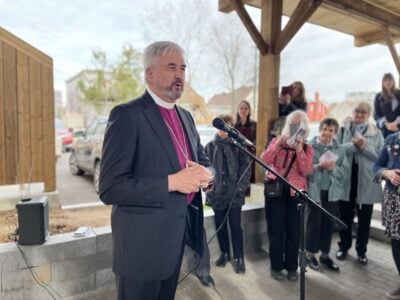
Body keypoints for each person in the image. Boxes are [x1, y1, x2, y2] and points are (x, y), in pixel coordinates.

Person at [99, 41, 214, 300]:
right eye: (171, 67)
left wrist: (210, 176)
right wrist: (171, 182)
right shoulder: (127, 115)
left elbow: (204, 160)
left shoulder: (186, 116)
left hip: (175, 243)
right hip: (141, 250)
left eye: (183, 68)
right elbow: (109, 188)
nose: (179, 75)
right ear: (149, 74)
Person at [261, 110, 314, 281]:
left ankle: (292, 267)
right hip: (275, 191)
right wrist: (278, 143)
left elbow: (306, 170)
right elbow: (265, 160)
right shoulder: (277, 141)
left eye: (300, 125)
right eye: (294, 124)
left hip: (295, 193)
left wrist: (299, 148)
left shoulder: (307, 147)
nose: (297, 128)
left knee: (294, 232)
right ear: (288, 126)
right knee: (276, 231)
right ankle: (276, 267)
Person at [335, 102, 384, 265]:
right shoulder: (343, 129)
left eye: (363, 112)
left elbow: (381, 158)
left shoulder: (376, 133)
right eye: (357, 111)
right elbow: (336, 151)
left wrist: (365, 146)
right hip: (347, 180)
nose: (359, 114)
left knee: (365, 220)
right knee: (344, 218)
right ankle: (343, 247)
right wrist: (353, 145)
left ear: (369, 115)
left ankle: (361, 251)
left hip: (367, 182)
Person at [205, 114, 251, 274]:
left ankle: (239, 257)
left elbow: (246, 167)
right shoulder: (210, 146)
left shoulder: (239, 146)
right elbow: (205, 171)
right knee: (220, 226)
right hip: (217, 194)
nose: (224, 130)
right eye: (221, 126)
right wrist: (208, 190)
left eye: (227, 126)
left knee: (236, 226)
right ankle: (224, 253)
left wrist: (240, 188)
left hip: (235, 194)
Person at [306, 118, 349, 272]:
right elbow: (303, 169)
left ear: (335, 133)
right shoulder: (309, 146)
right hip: (314, 191)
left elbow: (345, 172)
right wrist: (318, 166)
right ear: (320, 129)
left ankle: (325, 256)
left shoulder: (340, 149)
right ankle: (310, 254)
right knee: (313, 223)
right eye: (324, 129)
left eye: (331, 130)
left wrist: (334, 169)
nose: (327, 133)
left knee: (328, 224)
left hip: (332, 193)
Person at [374, 132, 400, 299]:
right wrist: (388, 173)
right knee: (396, 242)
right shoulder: (391, 140)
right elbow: (377, 166)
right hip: (393, 199)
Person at [234, 100, 257, 196]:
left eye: (246, 108)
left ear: (249, 111)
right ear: (238, 110)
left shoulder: (254, 125)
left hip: (249, 156)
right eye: (241, 108)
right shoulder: (234, 125)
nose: (243, 110)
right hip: (236, 156)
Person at [373, 72, 400, 138]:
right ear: (382, 82)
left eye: (390, 80)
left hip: (398, 127)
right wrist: (387, 124)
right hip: (384, 129)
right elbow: (376, 114)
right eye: (385, 80)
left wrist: (396, 123)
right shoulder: (378, 96)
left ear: (393, 81)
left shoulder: (399, 94)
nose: (388, 82)